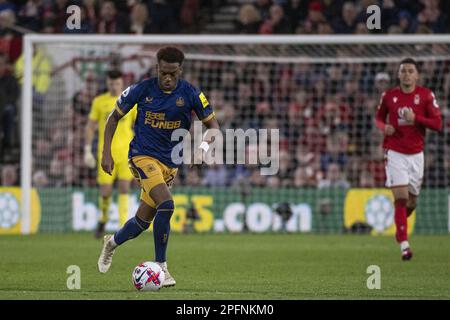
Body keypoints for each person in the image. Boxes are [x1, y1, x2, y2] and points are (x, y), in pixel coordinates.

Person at [97, 47, 219, 287]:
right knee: (168, 204)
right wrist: (106, 152)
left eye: (173, 74)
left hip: (170, 164)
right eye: (164, 72)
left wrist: (202, 150)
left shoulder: (191, 93)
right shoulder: (142, 89)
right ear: (157, 68)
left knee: (142, 222)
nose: (168, 78)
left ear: (180, 71)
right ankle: (162, 266)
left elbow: (214, 127)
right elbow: (113, 118)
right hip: (142, 157)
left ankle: (111, 243)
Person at [375, 58, 442, 261]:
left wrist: (416, 119)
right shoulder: (389, 96)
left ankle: (400, 226)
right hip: (394, 151)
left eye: (410, 71)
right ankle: (405, 245)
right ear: (398, 74)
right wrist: (383, 127)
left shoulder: (425, 95)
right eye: (403, 71)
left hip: (416, 155)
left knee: (411, 202)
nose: (406, 74)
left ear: (417, 75)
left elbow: (438, 124)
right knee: (401, 198)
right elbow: (379, 117)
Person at [84, 70, 136, 238]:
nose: (114, 86)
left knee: (124, 188)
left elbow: (138, 125)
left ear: (122, 84)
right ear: (107, 84)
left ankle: (122, 227)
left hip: (126, 152)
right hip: (106, 153)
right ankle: (103, 219)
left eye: (117, 83)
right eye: (111, 83)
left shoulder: (130, 102)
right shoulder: (99, 102)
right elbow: (91, 126)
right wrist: (86, 149)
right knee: (105, 192)